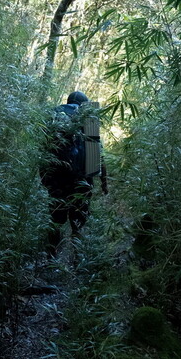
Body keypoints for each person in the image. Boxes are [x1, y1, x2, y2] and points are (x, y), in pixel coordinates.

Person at [40, 90, 108, 252]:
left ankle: (50, 257)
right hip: (81, 180)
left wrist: (44, 177)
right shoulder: (89, 117)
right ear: (84, 104)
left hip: (57, 178)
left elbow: (44, 149)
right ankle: (76, 258)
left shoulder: (54, 114)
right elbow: (96, 155)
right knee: (78, 221)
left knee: (56, 219)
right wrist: (103, 182)